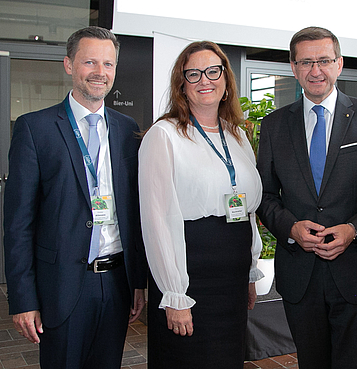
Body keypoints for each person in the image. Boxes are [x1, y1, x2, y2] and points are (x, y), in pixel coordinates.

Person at [3, 26, 147, 369]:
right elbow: (17, 224)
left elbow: (134, 213)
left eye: (108, 64)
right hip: (63, 285)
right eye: (90, 62)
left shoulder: (129, 130)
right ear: (69, 65)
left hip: (116, 282)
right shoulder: (35, 129)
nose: (100, 72)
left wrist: (137, 281)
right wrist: (23, 299)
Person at [256, 26, 357, 369]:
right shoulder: (274, 125)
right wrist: (290, 228)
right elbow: (264, 194)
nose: (315, 70)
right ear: (293, 68)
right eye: (306, 62)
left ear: (339, 64)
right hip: (299, 277)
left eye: (323, 60)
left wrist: (354, 229)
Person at [139, 41, 263, 368]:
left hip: (232, 277)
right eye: (193, 74)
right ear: (182, 86)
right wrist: (174, 294)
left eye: (213, 71)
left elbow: (247, 212)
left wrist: (249, 270)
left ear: (226, 81)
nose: (204, 80)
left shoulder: (236, 134)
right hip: (191, 274)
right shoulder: (164, 135)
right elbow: (158, 220)